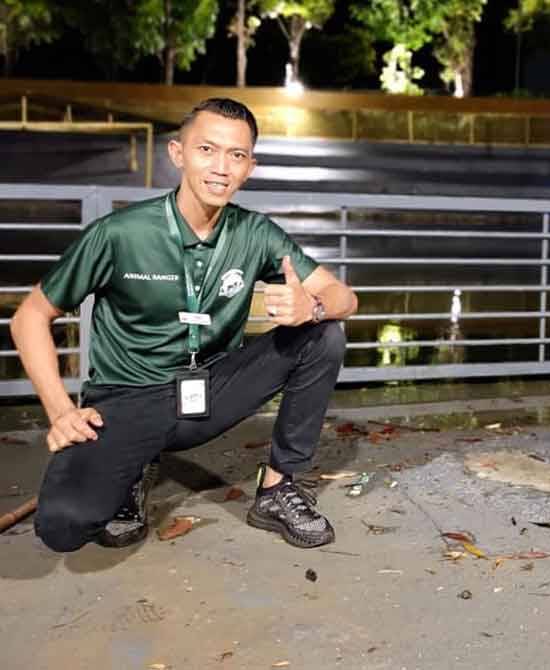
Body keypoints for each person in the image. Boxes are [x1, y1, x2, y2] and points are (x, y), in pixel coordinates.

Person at [10, 98, 357, 552]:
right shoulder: (120, 233)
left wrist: (312, 307)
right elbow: (30, 316)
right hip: (129, 396)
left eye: (236, 155)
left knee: (325, 335)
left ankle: (277, 488)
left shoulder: (255, 233)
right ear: (178, 154)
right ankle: (134, 469)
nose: (221, 168)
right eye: (206, 150)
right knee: (63, 527)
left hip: (209, 390)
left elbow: (344, 297)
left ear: (250, 167)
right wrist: (60, 412)